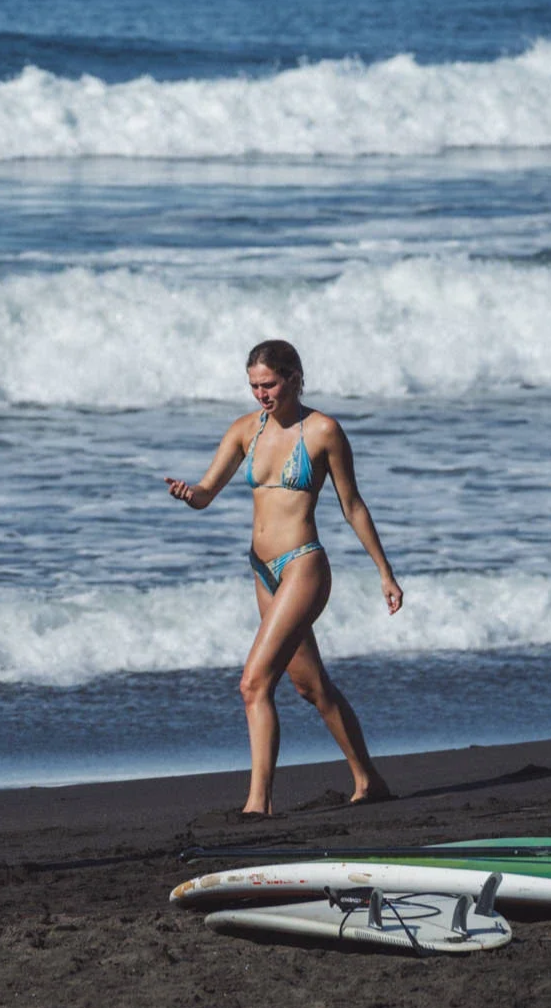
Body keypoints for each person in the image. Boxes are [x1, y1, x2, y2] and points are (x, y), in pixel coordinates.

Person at [164, 340, 401, 817]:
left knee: (254, 684)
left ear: (294, 377)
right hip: (261, 569)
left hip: (303, 564)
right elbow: (208, 492)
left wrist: (385, 572)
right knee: (310, 686)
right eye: (253, 385)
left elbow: (352, 505)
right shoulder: (244, 431)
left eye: (268, 384)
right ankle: (368, 780)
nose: (261, 394)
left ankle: (259, 803)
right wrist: (190, 495)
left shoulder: (323, 431)